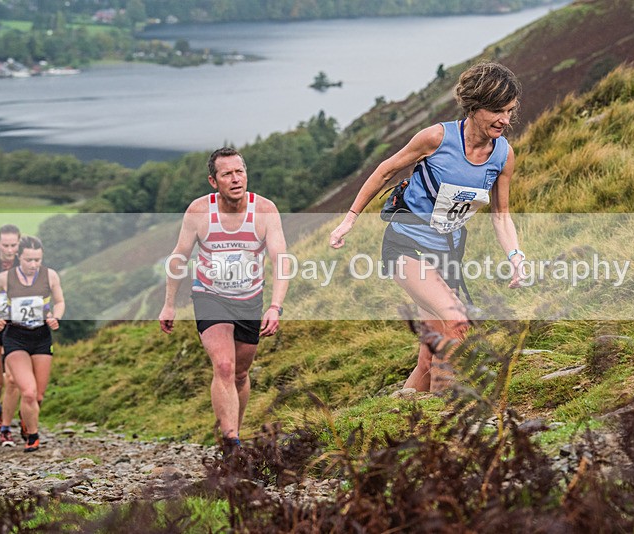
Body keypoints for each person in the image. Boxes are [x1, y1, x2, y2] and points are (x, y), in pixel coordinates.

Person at [329, 62, 526, 392]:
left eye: (509, 111)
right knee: (457, 321)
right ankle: (441, 427)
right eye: (497, 111)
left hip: (446, 257)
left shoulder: (503, 155)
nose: (505, 120)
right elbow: (384, 171)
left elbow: (501, 214)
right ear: (475, 107)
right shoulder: (436, 138)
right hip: (406, 247)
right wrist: (350, 218)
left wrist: (516, 256)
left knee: (429, 356)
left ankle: (403, 419)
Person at [158, 147, 289, 452]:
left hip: (249, 299)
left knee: (241, 374)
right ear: (213, 181)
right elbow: (179, 257)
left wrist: (274, 306)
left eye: (239, 171)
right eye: (226, 174)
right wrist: (169, 303)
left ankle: (236, 433)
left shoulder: (265, 211)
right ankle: (230, 441)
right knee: (225, 367)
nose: (235, 179)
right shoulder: (199, 212)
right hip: (210, 296)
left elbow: (280, 259)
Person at [0, 236, 65, 452]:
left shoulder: (50, 275)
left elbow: (60, 301)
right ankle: (33, 437)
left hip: (42, 338)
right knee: (27, 391)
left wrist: (57, 316)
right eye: (28, 260)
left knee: (38, 396)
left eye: (37, 260)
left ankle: (27, 420)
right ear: (19, 257)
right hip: (15, 337)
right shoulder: (4, 278)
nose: (33, 265)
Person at [0, 224, 22, 446]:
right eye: (5, 245)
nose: (9, 249)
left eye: (13, 245)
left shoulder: (26, 265)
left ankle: (6, 428)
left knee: (12, 380)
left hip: (15, 328)